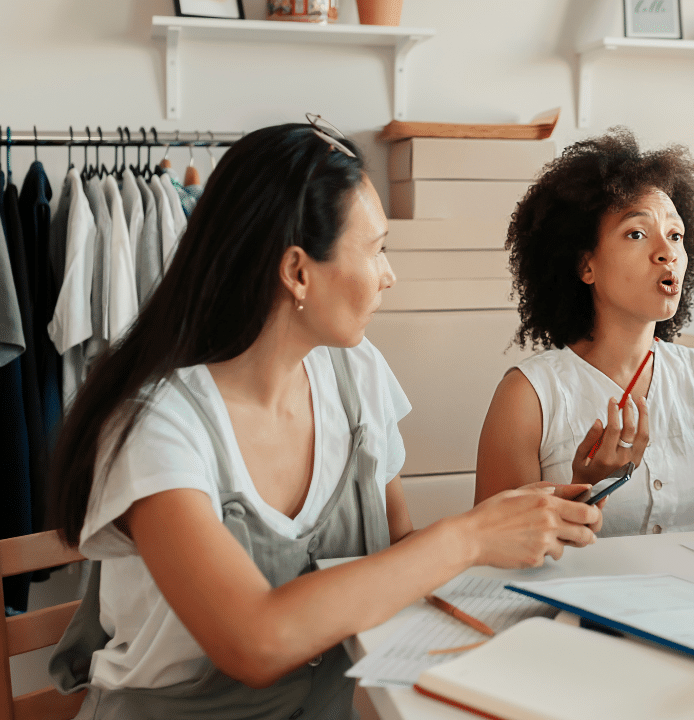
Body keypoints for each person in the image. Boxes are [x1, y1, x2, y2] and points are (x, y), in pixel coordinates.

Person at [45, 120, 603, 719]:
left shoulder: (356, 374)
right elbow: (257, 642)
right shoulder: (157, 426)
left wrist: (510, 533)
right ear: (297, 271)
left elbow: (396, 552)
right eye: (377, 248)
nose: (389, 274)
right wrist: (468, 537)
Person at [473, 128, 694, 537]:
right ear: (584, 265)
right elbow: (492, 559)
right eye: (637, 233)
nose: (667, 252)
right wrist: (587, 490)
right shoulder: (527, 398)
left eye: (676, 235)